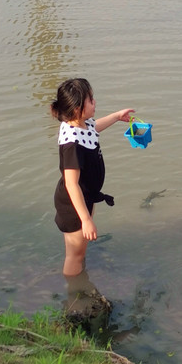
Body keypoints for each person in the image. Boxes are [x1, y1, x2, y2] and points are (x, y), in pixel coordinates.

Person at [52, 77, 135, 276]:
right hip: (73, 206)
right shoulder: (72, 144)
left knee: (80, 250)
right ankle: (73, 292)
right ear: (76, 109)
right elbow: (72, 184)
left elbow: (93, 128)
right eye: (90, 100)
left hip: (85, 199)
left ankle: (81, 276)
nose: (94, 102)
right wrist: (86, 219)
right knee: (75, 255)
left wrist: (116, 116)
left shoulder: (80, 125)